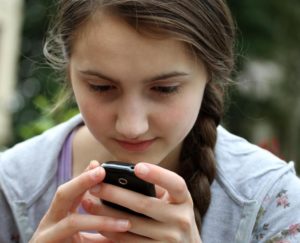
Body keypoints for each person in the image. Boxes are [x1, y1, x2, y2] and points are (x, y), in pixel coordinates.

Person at [0, 0, 300, 242]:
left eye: (164, 89)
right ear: (68, 71)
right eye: (101, 87)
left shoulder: (269, 201)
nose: (132, 126)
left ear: (211, 77)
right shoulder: (11, 190)